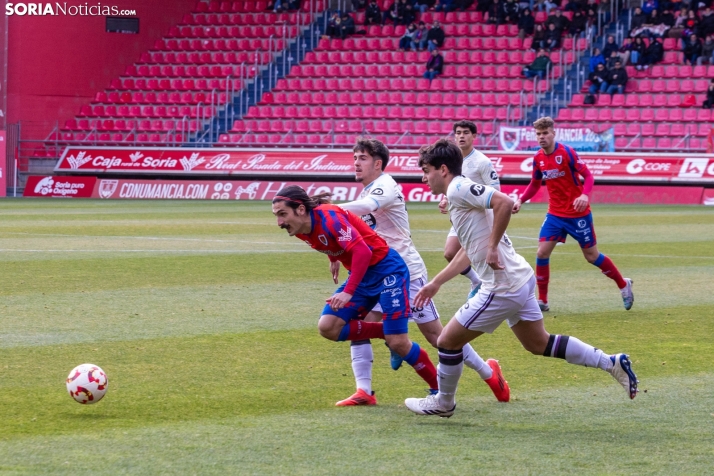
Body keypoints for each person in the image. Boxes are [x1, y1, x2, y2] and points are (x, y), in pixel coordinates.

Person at [403, 139, 639, 418]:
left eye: (427, 170)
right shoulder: (459, 193)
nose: (424, 177)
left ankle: (443, 402)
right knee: (538, 343)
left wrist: (492, 247)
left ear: (443, 169)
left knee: (446, 341)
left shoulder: (457, 188)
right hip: (519, 277)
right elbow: (469, 248)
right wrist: (437, 282)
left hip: (502, 286)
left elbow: (504, 202)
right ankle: (611, 362)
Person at [335, 139, 510, 406]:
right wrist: (337, 254)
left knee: (438, 336)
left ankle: (489, 373)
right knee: (364, 323)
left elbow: (367, 208)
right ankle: (365, 390)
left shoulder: (385, 185)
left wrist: (328, 210)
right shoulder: (368, 190)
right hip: (378, 273)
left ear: (378, 163)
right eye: (355, 157)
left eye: (362, 158)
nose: (356, 163)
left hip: (405, 271)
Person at [271, 185, 440, 403]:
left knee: (398, 342)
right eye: (277, 216)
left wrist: (348, 291)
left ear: (301, 209)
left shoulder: (330, 218)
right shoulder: (300, 228)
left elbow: (363, 251)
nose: (279, 223)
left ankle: (440, 390)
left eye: (283, 214)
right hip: (363, 275)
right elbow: (328, 241)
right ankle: (383, 333)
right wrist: (333, 258)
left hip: (388, 271)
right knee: (328, 327)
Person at [511, 117, 634, 312]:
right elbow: (535, 184)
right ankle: (543, 300)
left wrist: (585, 195)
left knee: (592, 256)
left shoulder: (567, 153)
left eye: (545, 133)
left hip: (578, 214)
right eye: (538, 134)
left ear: (553, 133)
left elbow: (589, 176)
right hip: (555, 214)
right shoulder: (538, 158)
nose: (542, 137)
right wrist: (520, 200)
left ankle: (623, 284)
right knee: (542, 252)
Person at [440, 121, 501, 299]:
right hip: (458, 218)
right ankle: (477, 281)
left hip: (479, 218)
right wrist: (445, 199)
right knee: (450, 253)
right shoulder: (452, 162)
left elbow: (495, 190)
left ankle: (493, 290)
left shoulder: (482, 162)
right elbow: (451, 186)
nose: (461, 136)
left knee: (481, 257)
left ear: (474, 136)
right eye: (458, 133)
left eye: (466, 133)